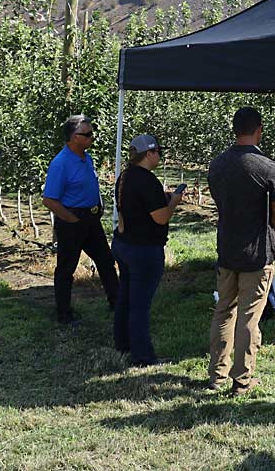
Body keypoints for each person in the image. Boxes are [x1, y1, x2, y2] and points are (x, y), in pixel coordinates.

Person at [207, 107, 275, 396]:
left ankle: (217, 374)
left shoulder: (217, 165)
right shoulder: (268, 167)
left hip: (227, 247)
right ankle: (242, 379)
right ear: (259, 130)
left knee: (223, 310)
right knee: (249, 317)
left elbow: (220, 203)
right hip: (256, 251)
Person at [42, 115, 119, 325]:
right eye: (87, 134)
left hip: (91, 219)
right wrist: (72, 220)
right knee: (67, 268)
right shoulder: (61, 164)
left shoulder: (87, 158)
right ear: (74, 137)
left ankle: (117, 302)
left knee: (106, 261)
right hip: (72, 221)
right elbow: (49, 199)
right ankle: (64, 314)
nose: (92, 138)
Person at [112, 134, 182, 366]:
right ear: (149, 153)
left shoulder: (125, 177)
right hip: (144, 250)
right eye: (158, 152)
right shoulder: (147, 180)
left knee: (126, 297)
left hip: (124, 244)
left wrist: (161, 198)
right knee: (140, 304)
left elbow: (137, 205)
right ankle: (142, 356)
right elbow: (160, 217)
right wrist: (173, 202)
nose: (160, 155)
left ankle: (122, 343)